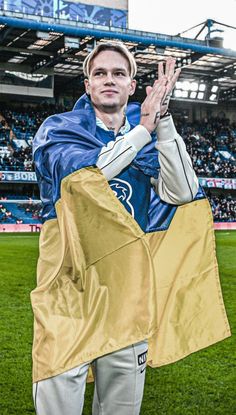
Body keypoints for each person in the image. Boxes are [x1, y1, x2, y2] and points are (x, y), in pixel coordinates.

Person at [31, 41, 230, 415]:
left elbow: (184, 192)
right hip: (68, 295)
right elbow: (89, 177)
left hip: (126, 297)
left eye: (119, 73)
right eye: (100, 73)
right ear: (87, 85)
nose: (109, 80)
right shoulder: (59, 129)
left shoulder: (151, 133)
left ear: (132, 86)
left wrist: (165, 123)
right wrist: (143, 130)